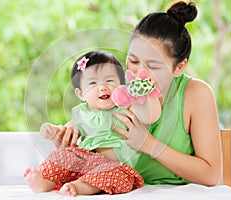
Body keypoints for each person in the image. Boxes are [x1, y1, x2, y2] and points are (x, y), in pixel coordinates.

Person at [43, 1, 221, 187]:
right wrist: (72, 132)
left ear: (179, 67)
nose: (138, 73)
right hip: (113, 190)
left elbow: (210, 175)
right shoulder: (118, 88)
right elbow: (95, 121)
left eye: (152, 66)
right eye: (133, 61)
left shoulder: (196, 94)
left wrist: (148, 144)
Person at [24, 50, 162, 197]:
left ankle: (76, 186)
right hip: (82, 161)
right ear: (81, 94)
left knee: (120, 176)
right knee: (63, 156)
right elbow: (66, 131)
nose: (102, 87)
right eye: (93, 83)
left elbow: (151, 116)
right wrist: (54, 131)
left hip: (114, 165)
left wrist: (147, 93)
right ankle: (44, 181)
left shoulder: (126, 109)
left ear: (122, 85)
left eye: (109, 81)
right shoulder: (81, 114)